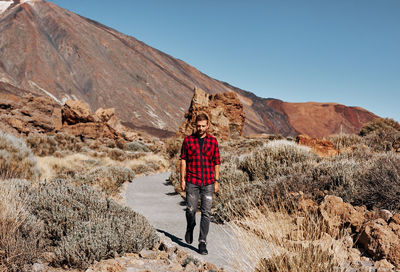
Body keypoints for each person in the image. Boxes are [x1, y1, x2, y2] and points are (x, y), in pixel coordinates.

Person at [180, 113, 221, 255]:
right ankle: (190, 227)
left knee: (206, 213)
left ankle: (202, 241)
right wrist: (182, 179)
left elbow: (216, 162)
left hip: (208, 182)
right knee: (190, 210)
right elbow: (183, 160)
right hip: (192, 181)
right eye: (199, 126)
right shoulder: (188, 141)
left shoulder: (213, 141)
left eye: (203, 126)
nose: (201, 128)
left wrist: (216, 181)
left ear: (208, 126)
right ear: (194, 126)